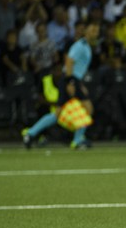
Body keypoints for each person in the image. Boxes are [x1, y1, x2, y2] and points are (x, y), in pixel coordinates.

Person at [23, 21, 100, 150]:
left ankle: (30, 133)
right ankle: (77, 140)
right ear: (85, 31)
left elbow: (77, 67)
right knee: (88, 108)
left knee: (58, 113)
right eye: (92, 30)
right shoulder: (80, 45)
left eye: (97, 31)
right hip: (70, 79)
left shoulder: (86, 46)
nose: (95, 33)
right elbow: (69, 61)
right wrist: (71, 82)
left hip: (73, 80)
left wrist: (79, 84)